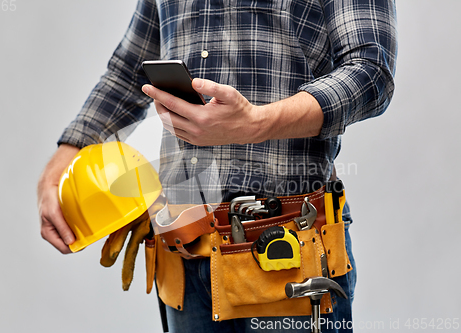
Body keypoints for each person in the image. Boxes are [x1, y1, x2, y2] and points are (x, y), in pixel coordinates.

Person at [38, 0, 397, 332]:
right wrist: (64, 158)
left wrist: (258, 122)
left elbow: (370, 70)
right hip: (183, 255)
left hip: (290, 260)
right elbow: (128, 74)